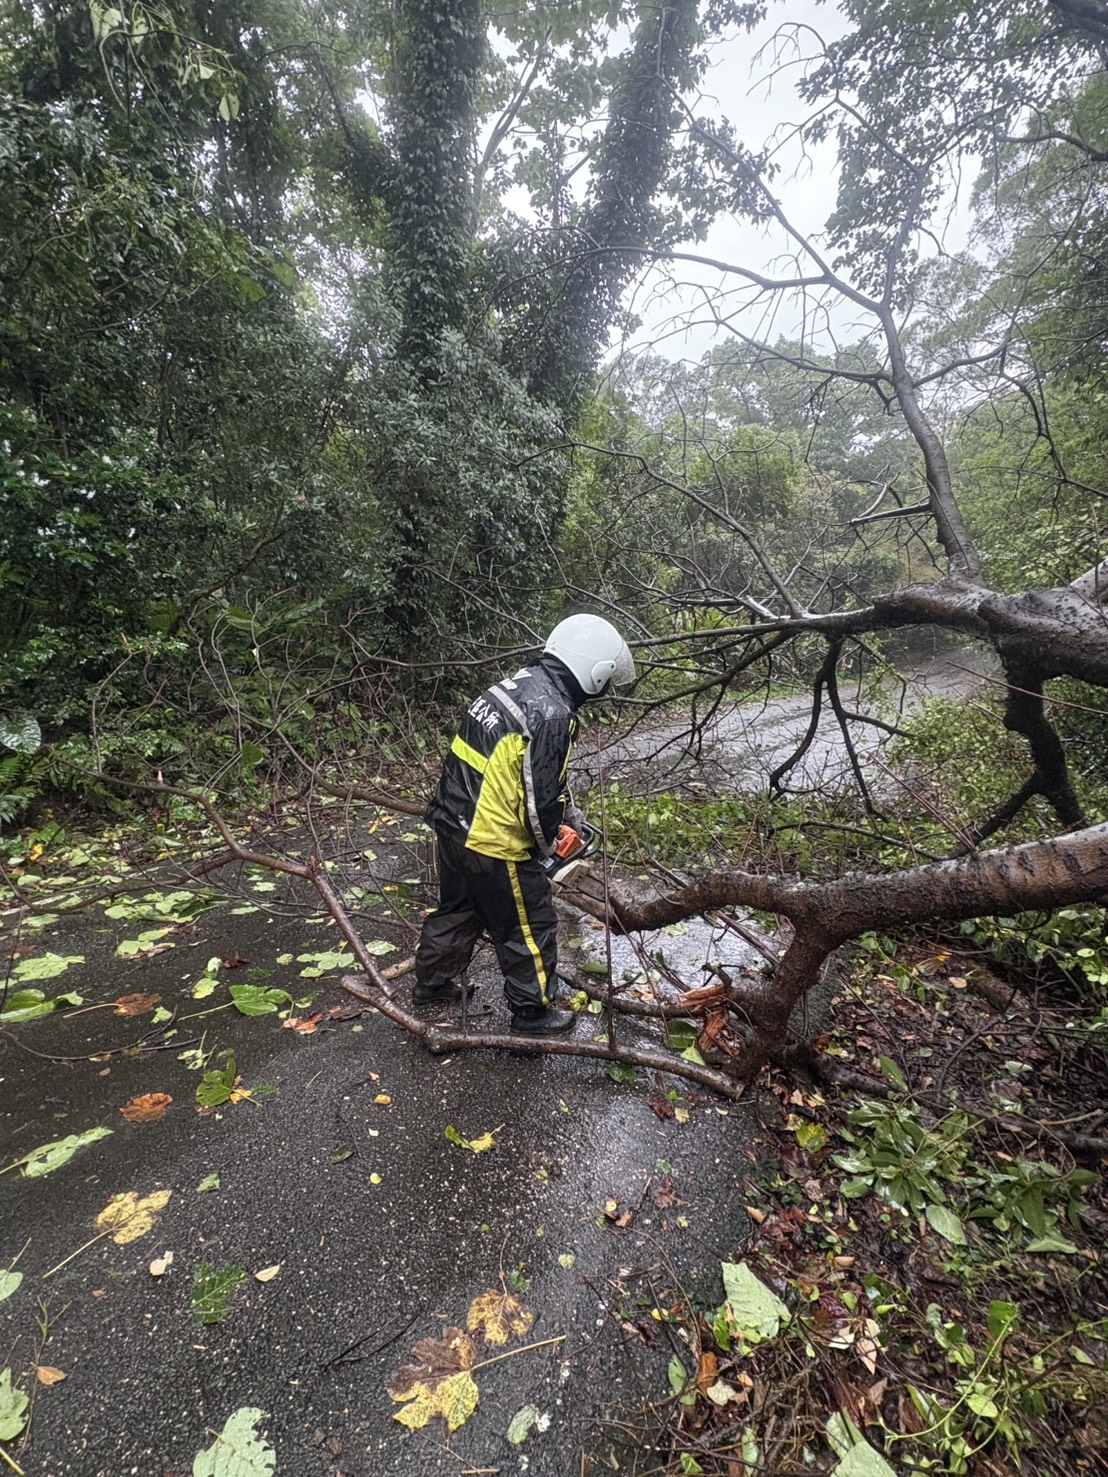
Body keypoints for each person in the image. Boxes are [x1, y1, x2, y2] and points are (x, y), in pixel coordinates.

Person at [413, 614, 636, 1034]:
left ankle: (431, 984)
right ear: (594, 672)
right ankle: (532, 1012)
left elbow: (530, 773)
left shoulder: (513, 687)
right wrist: (548, 846)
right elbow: (540, 800)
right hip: (494, 840)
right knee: (530, 924)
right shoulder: (554, 713)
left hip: (452, 823)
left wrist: (570, 815)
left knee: (458, 910)